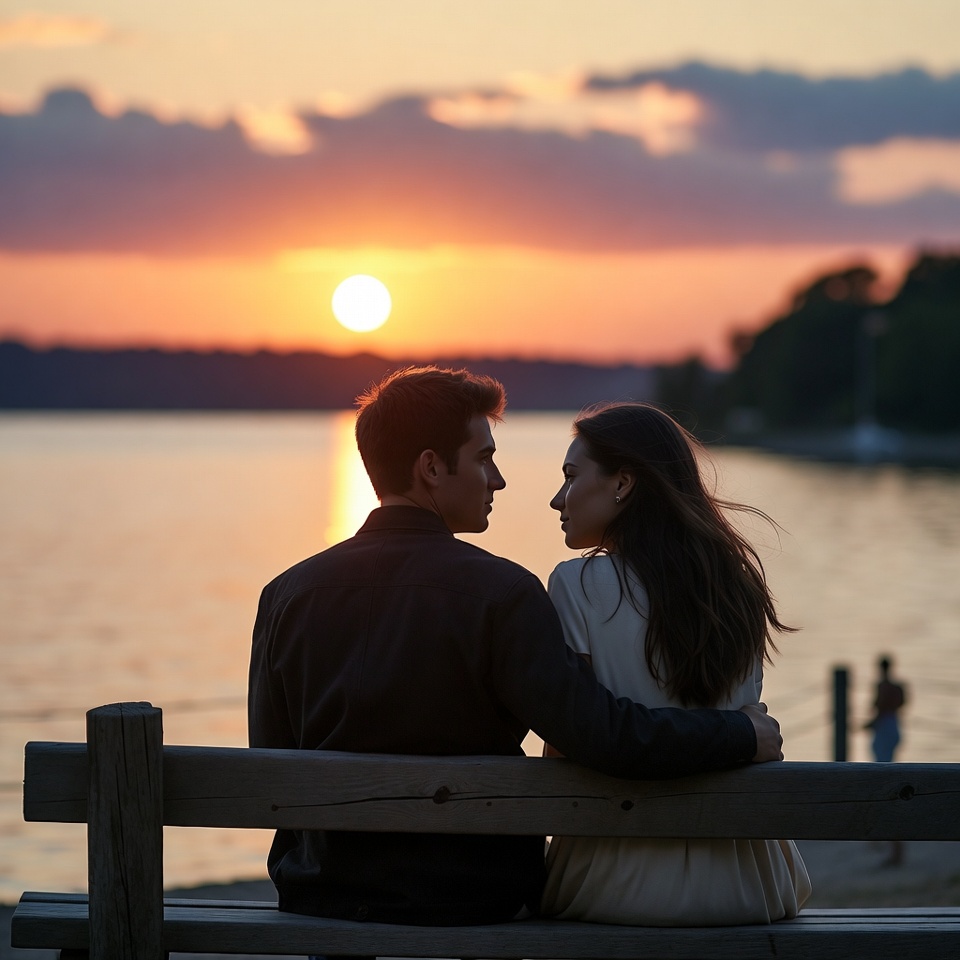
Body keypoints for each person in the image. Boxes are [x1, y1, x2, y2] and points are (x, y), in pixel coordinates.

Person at [248, 367, 784, 931]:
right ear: (431, 467)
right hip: (474, 897)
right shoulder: (503, 594)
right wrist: (740, 732)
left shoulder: (285, 595)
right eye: (483, 458)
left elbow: (271, 766)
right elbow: (601, 734)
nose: (498, 480)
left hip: (321, 893)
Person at [541, 401, 811, 926]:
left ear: (623, 484)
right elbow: (748, 726)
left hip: (609, 886)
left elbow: (564, 753)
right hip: (750, 886)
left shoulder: (574, 586)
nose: (558, 498)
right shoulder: (736, 587)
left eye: (572, 477)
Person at [865, 655, 907, 866]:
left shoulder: (883, 686)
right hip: (894, 727)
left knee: (884, 782)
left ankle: (890, 843)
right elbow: (900, 704)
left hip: (884, 730)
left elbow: (879, 708)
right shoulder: (898, 686)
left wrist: (866, 725)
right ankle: (889, 843)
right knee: (888, 776)